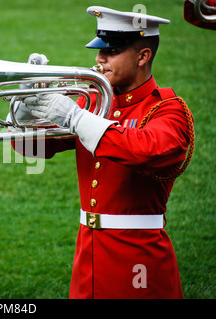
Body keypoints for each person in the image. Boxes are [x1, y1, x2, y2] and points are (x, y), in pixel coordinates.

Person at [13, 6, 194, 298]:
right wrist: (26, 110)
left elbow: (146, 151)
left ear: (143, 56)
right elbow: (33, 148)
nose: (99, 59)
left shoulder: (167, 109)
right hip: (88, 253)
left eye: (111, 51)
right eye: (99, 50)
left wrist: (75, 117)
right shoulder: (96, 102)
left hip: (139, 258)